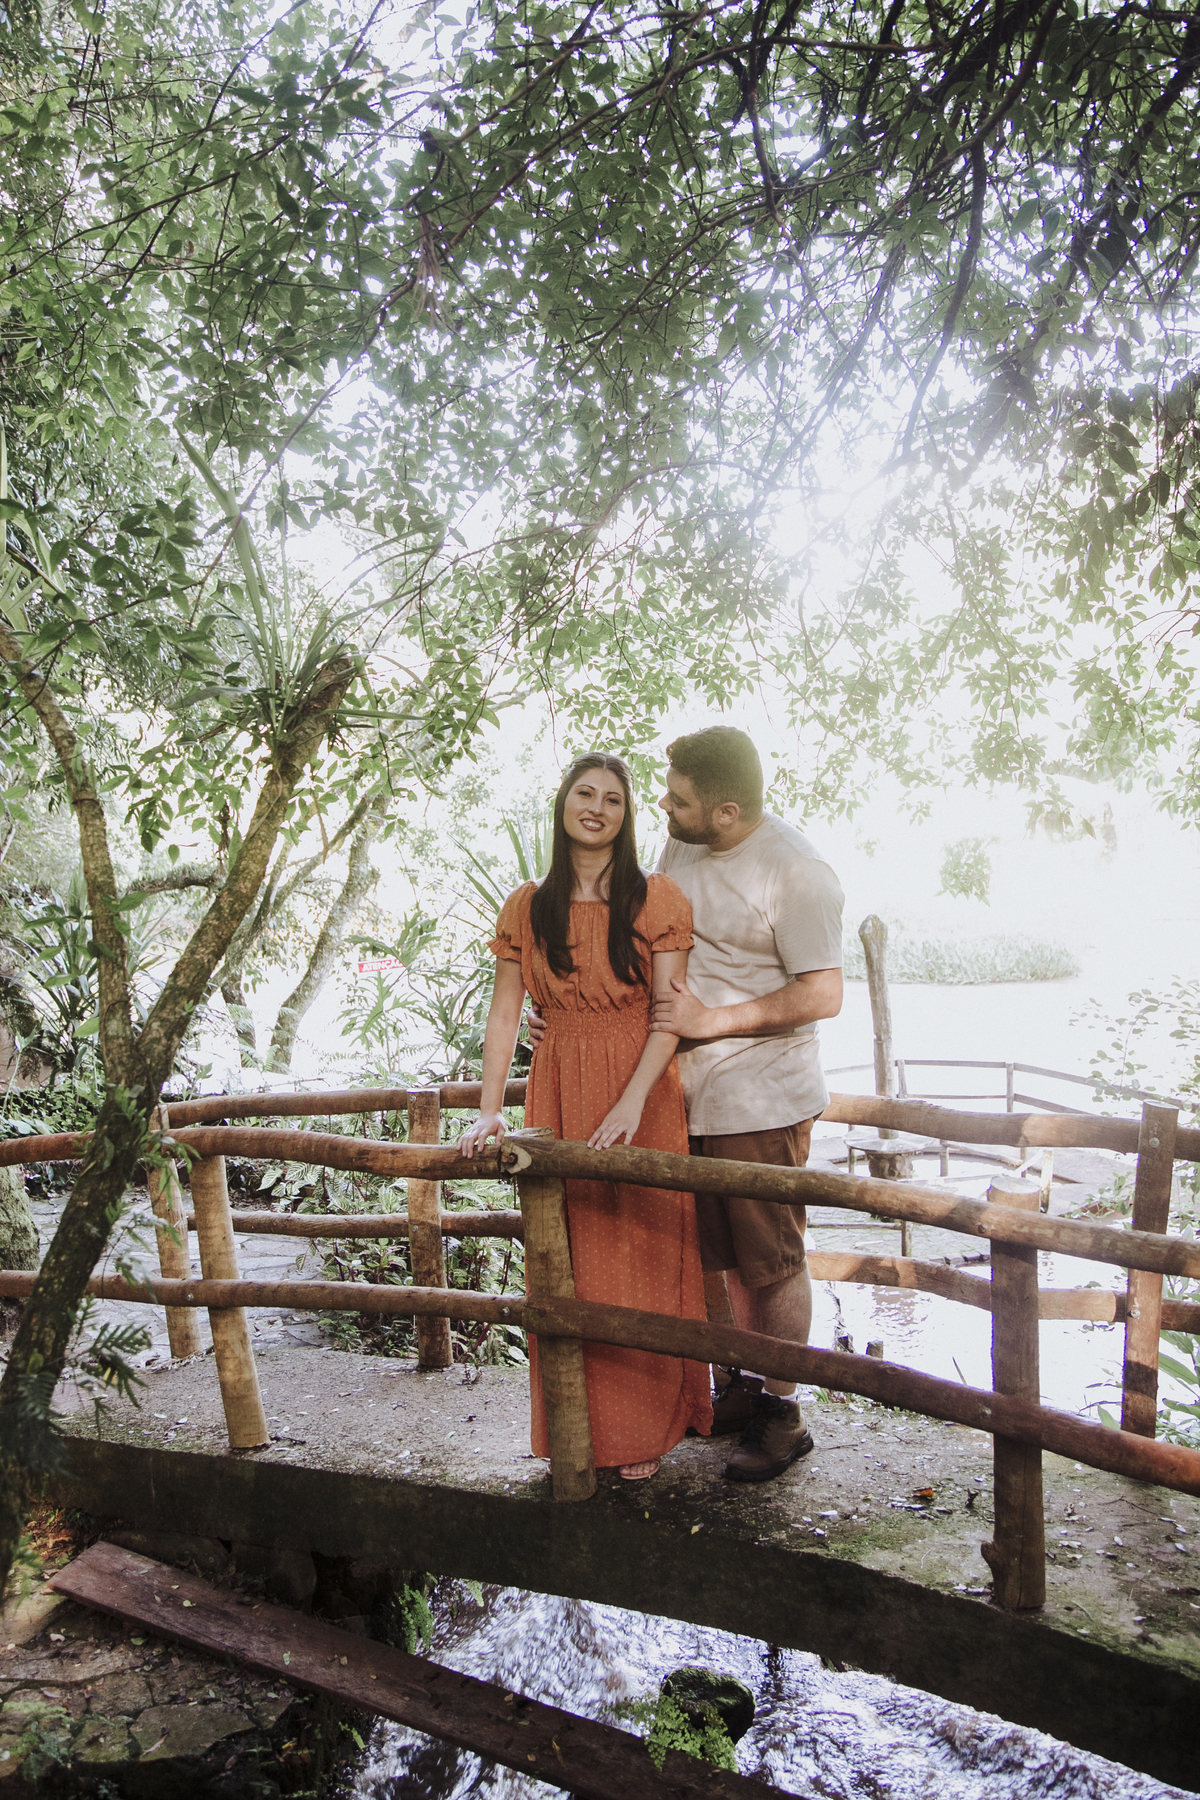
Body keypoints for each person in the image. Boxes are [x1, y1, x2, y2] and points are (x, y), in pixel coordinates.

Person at [459, 752, 712, 1481]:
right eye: (585, 793)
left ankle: (643, 1432)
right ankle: (579, 1426)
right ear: (563, 803)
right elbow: (505, 1012)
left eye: (613, 799)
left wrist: (632, 1101)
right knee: (568, 1256)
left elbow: (668, 1015)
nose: (597, 808)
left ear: (626, 817)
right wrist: (489, 1111)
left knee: (641, 1251)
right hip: (559, 1087)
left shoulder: (656, 897)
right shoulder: (527, 904)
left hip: (641, 1091)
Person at [649, 726, 844, 1482]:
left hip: (764, 1098)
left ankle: (783, 1414)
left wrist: (713, 1022)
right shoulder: (682, 844)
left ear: (726, 812)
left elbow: (822, 993)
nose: (664, 806)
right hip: (689, 1092)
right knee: (720, 1257)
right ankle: (742, 1383)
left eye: (679, 799)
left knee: (772, 1264)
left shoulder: (798, 872)